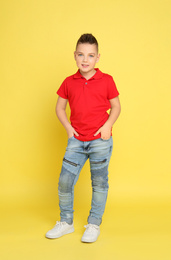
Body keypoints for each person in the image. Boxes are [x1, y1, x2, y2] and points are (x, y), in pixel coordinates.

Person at [45, 33, 121, 243]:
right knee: (65, 181)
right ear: (75, 56)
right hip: (77, 141)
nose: (85, 60)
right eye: (81, 55)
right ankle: (66, 222)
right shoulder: (69, 82)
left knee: (99, 183)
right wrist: (69, 129)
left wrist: (108, 126)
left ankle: (94, 224)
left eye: (90, 55)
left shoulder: (107, 80)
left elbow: (116, 106)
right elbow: (60, 107)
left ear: (97, 57)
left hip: (100, 141)